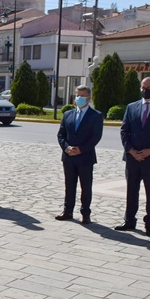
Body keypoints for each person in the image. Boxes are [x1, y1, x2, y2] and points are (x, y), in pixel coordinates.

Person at [115, 77, 150, 236]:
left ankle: (149, 224)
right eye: (143, 86)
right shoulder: (132, 107)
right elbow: (124, 131)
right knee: (131, 190)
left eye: (148, 87)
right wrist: (131, 150)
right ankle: (129, 221)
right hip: (133, 158)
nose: (145, 89)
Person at [55, 85, 103, 224]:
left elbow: (95, 137)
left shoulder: (96, 115)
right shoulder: (68, 114)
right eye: (77, 95)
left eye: (82, 96)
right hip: (68, 156)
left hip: (85, 157)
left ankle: (85, 213)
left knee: (86, 186)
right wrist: (66, 148)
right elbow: (61, 134)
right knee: (69, 185)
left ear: (89, 98)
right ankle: (67, 211)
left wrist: (81, 149)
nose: (79, 98)